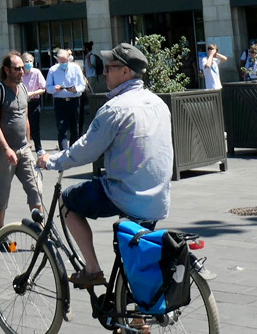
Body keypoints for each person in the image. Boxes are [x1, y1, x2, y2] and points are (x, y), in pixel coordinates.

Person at [38, 43, 173, 288]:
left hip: (126, 194)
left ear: (126, 73)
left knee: (68, 199)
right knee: (135, 256)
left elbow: (85, 150)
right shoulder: (158, 103)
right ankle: (136, 318)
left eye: (110, 68)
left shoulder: (114, 108)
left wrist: (52, 160)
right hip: (158, 196)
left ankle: (92, 269)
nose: (104, 72)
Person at [0, 52, 44, 230]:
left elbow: (25, 118)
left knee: (36, 190)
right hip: (3, 152)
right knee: (2, 194)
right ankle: (0, 231)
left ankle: (39, 232)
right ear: (6, 70)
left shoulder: (24, 89)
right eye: (17, 68)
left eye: (23, 67)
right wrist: (6, 149)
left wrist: (28, 142)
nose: (22, 71)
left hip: (24, 149)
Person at [45, 49, 86, 150]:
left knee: (74, 127)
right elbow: (48, 88)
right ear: (58, 60)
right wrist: (55, 88)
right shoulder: (53, 70)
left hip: (74, 100)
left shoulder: (75, 68)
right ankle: (63, 152)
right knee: (62, 128)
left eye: (65, 61)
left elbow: (82, 85)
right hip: (60, 101)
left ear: (68, 59)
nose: (63, 63)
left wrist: (75, 90)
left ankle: (74, 151)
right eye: (61, 61)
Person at [19, 52, 46, 153]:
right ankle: (25, 145)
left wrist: (33, 93)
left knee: (35, 125)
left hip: (34, 101)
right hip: (22, 102)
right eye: (26, 61)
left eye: (31, 61)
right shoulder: (20, 73)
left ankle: (38, 147)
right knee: (23, 125)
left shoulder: (36, 72)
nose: (29, 63)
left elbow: (43, 88)